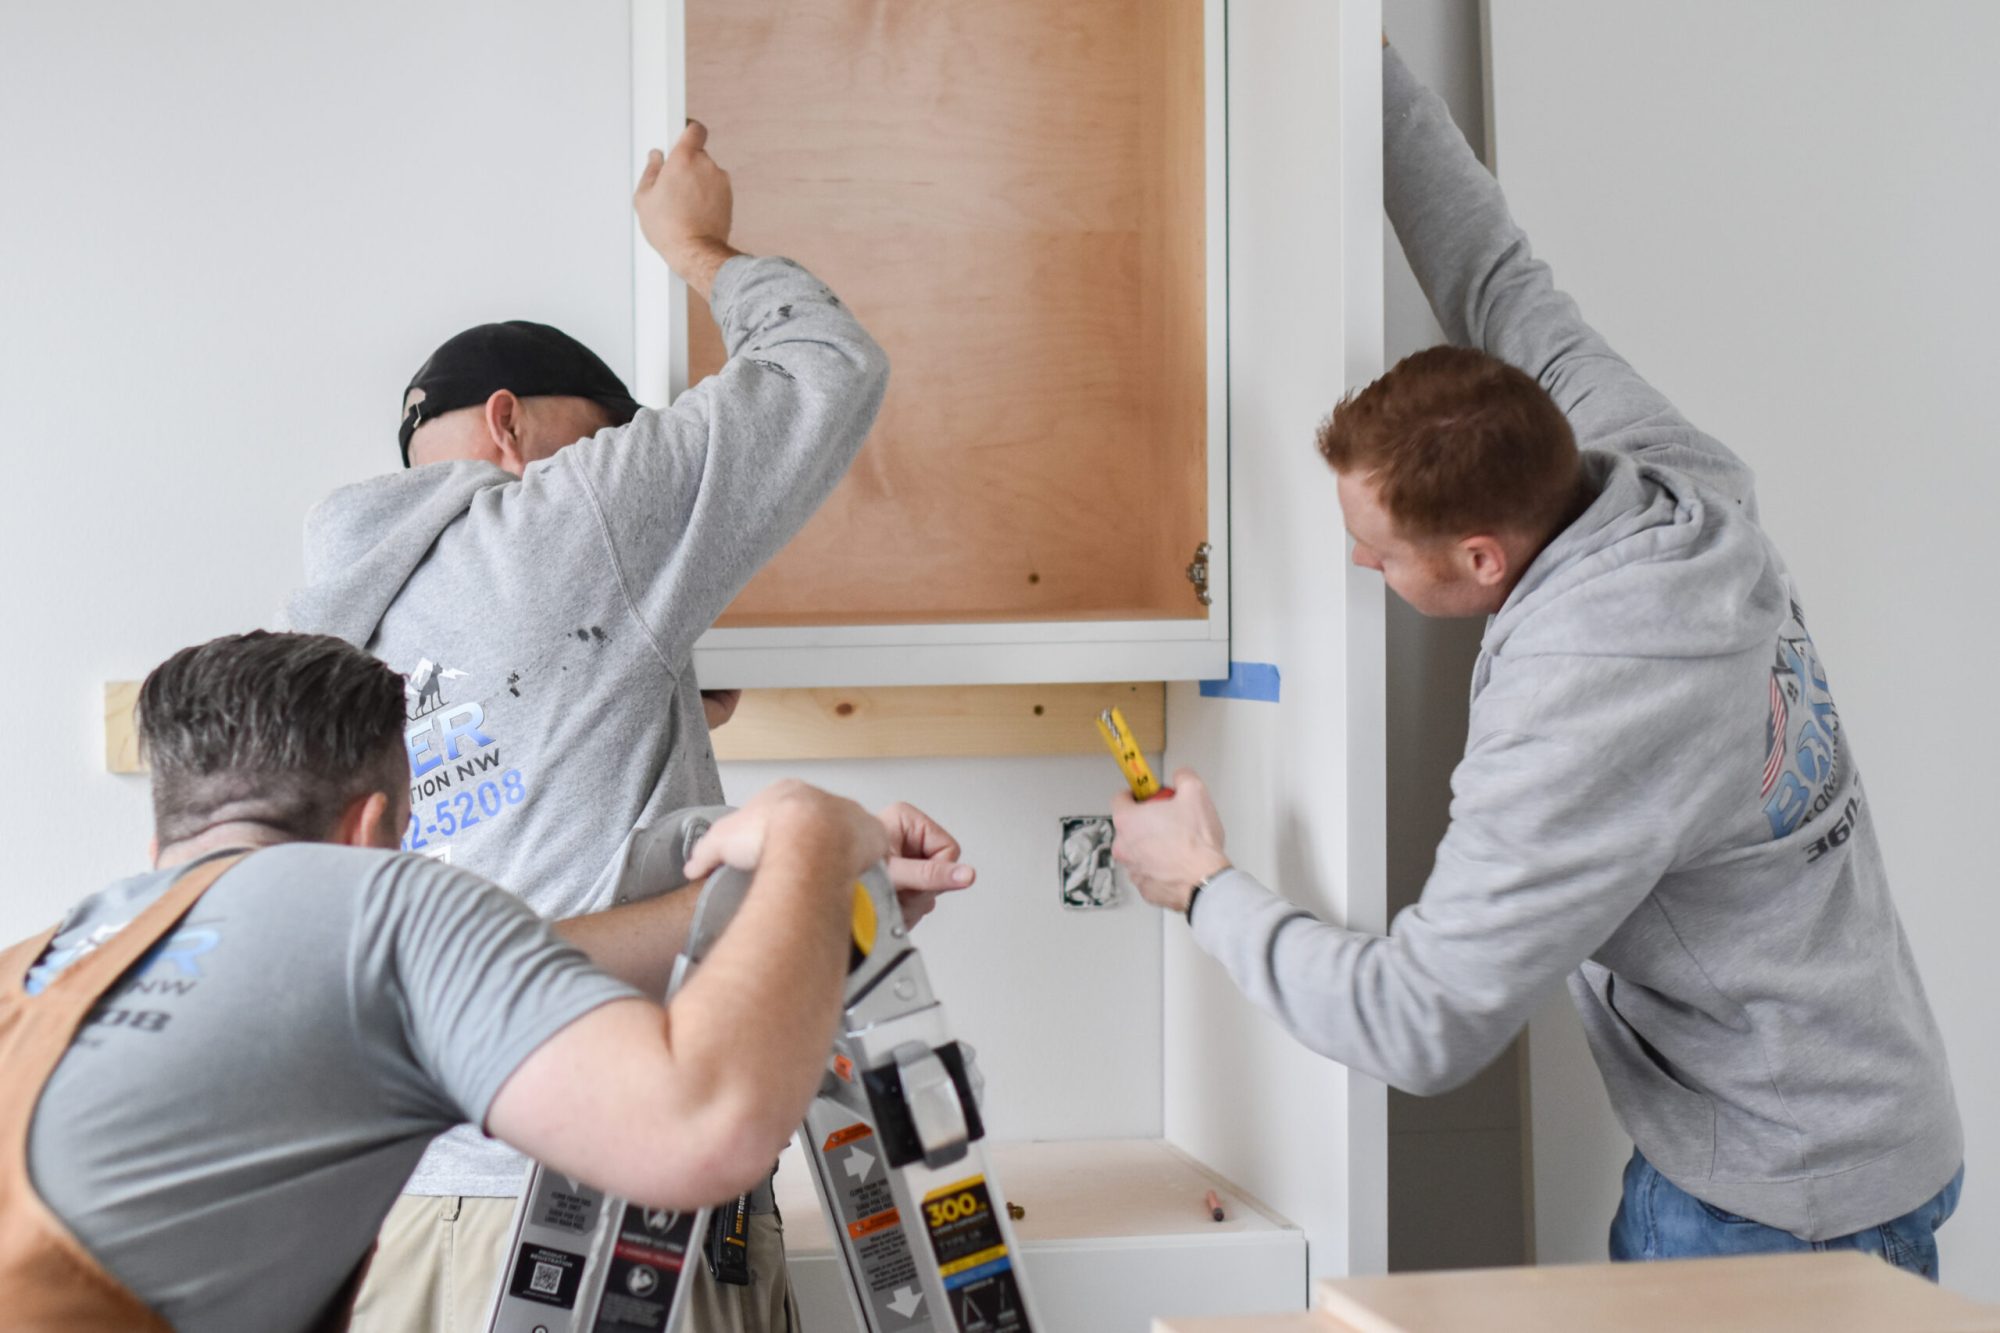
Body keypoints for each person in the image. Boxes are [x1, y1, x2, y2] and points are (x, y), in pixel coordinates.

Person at [1110, 44, 1962, 1276]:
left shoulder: (1588, 696)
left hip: (1776, 1206)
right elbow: (1490, 264)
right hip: (1857, 1125)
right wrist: (1351, 41)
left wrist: (1201, 886)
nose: (1358, 569)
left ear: (1477, 559)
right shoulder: (1631, 461)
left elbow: (1420, 1021)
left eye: (1377, 552)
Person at [283, 121, 973, 1328]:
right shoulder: (565, 516)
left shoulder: (349, 629)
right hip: (599, 1223)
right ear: (513, 426)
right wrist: (697, 243)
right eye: (610, 434)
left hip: (424, 1215)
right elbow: (825, 366)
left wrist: (651, 689)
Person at [0, 631, 890, 1331]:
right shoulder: (374, 899)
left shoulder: (45, 959)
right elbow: (705, 1128)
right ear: (372, 827)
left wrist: (795, 931)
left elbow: (494, 989)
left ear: (164, 848)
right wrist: (811, 839)